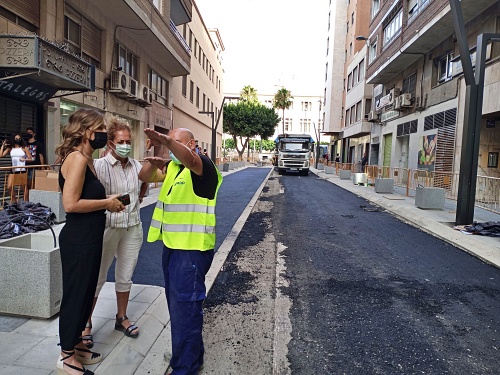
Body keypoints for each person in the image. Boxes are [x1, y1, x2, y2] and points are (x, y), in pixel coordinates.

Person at [138, 127, 222, 375]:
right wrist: (154, 158)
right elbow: (144, 177)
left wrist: (166, 141)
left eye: (176, 143)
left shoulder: (203, 167)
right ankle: (191, 356)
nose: (171, 147)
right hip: (174, 248)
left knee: (185, 309)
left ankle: (184, 368)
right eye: (170, 143)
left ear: (192, 143)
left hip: (192, 250)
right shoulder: (174, 168)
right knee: (179, 308)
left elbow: (190, 159)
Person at [55, 108, 125, 375]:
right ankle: (65, 356)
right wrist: (106, 202)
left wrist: (109, 202)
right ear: (85, 131)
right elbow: (70, 204)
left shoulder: (88, 160)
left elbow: (86, 199)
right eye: (99, 129)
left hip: (91, 236)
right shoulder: (76, 159)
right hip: (78, 239)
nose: (103, 134)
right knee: (76, 295)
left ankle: (76, 345)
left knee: (85, 293)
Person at [82, 117, 157, 346]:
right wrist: (119, 199)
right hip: (107, 227)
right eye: (121, 141)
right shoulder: (99, 166)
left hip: (132, 226)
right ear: (111, 143)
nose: (125, 144)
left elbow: (148, 183)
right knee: (97, 277)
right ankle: (86, 323)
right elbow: (93, 198)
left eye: (128, 141)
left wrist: (152, 167)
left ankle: (121, 317)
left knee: (125, 276)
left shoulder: (136, 166)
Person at [0, 133, 32, 202]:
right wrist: (3, 146)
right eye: (16, 138)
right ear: (13, 139)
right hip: (13, 170)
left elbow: (30, 158)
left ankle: (25, 202)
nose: (18, 140)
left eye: (19, 138)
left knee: (24, 188)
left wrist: (24, 159)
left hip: (22, 169)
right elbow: (1, 155)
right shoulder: (10, 148)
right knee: (9, 187)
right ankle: (14, 202)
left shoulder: (24, 148)